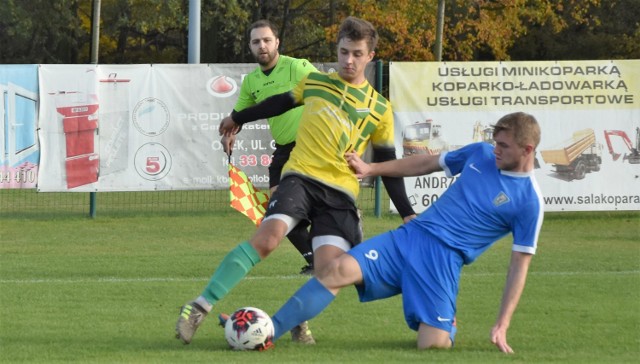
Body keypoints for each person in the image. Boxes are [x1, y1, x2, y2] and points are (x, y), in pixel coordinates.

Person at [176, 16, 416, 346]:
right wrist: (237, 117)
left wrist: (406, 213)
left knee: (328, 272)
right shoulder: (316, 82)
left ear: (370, 56)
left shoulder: (379, 108)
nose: (349, 60)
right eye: (344, 52)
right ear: (337, 49)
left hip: (341, 195)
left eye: (357, 54)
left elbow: (387, 165)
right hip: (301, 177)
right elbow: (277, 104)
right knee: (269, 237)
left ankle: (294, 321)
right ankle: (198, 308)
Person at [264, 112, 544, 353]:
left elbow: (519, 266)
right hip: (411, 237)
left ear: (527, 149)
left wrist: (502, 324)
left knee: (433, 347)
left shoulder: (529, 201)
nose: (496, 149)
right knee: (335, 270)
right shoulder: (480, 153)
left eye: (504, 146)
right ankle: (267, 332)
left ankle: (445, 324)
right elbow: (426, 163)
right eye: (496, 142)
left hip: (442, 262)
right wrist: (371, 168)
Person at [223, 19, 317, 275]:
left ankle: (327, 254)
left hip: (312, 146)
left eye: (266, 40)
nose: (262, 45)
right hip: (285, 149)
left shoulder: (296, 67)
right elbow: (238, 114)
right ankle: (316, 259)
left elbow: (327, 92)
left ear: (277, 42)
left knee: (309, 205)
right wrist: (230, 133)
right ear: (251, 47)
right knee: (278, 207)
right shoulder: (252, 81)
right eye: (256, 42)